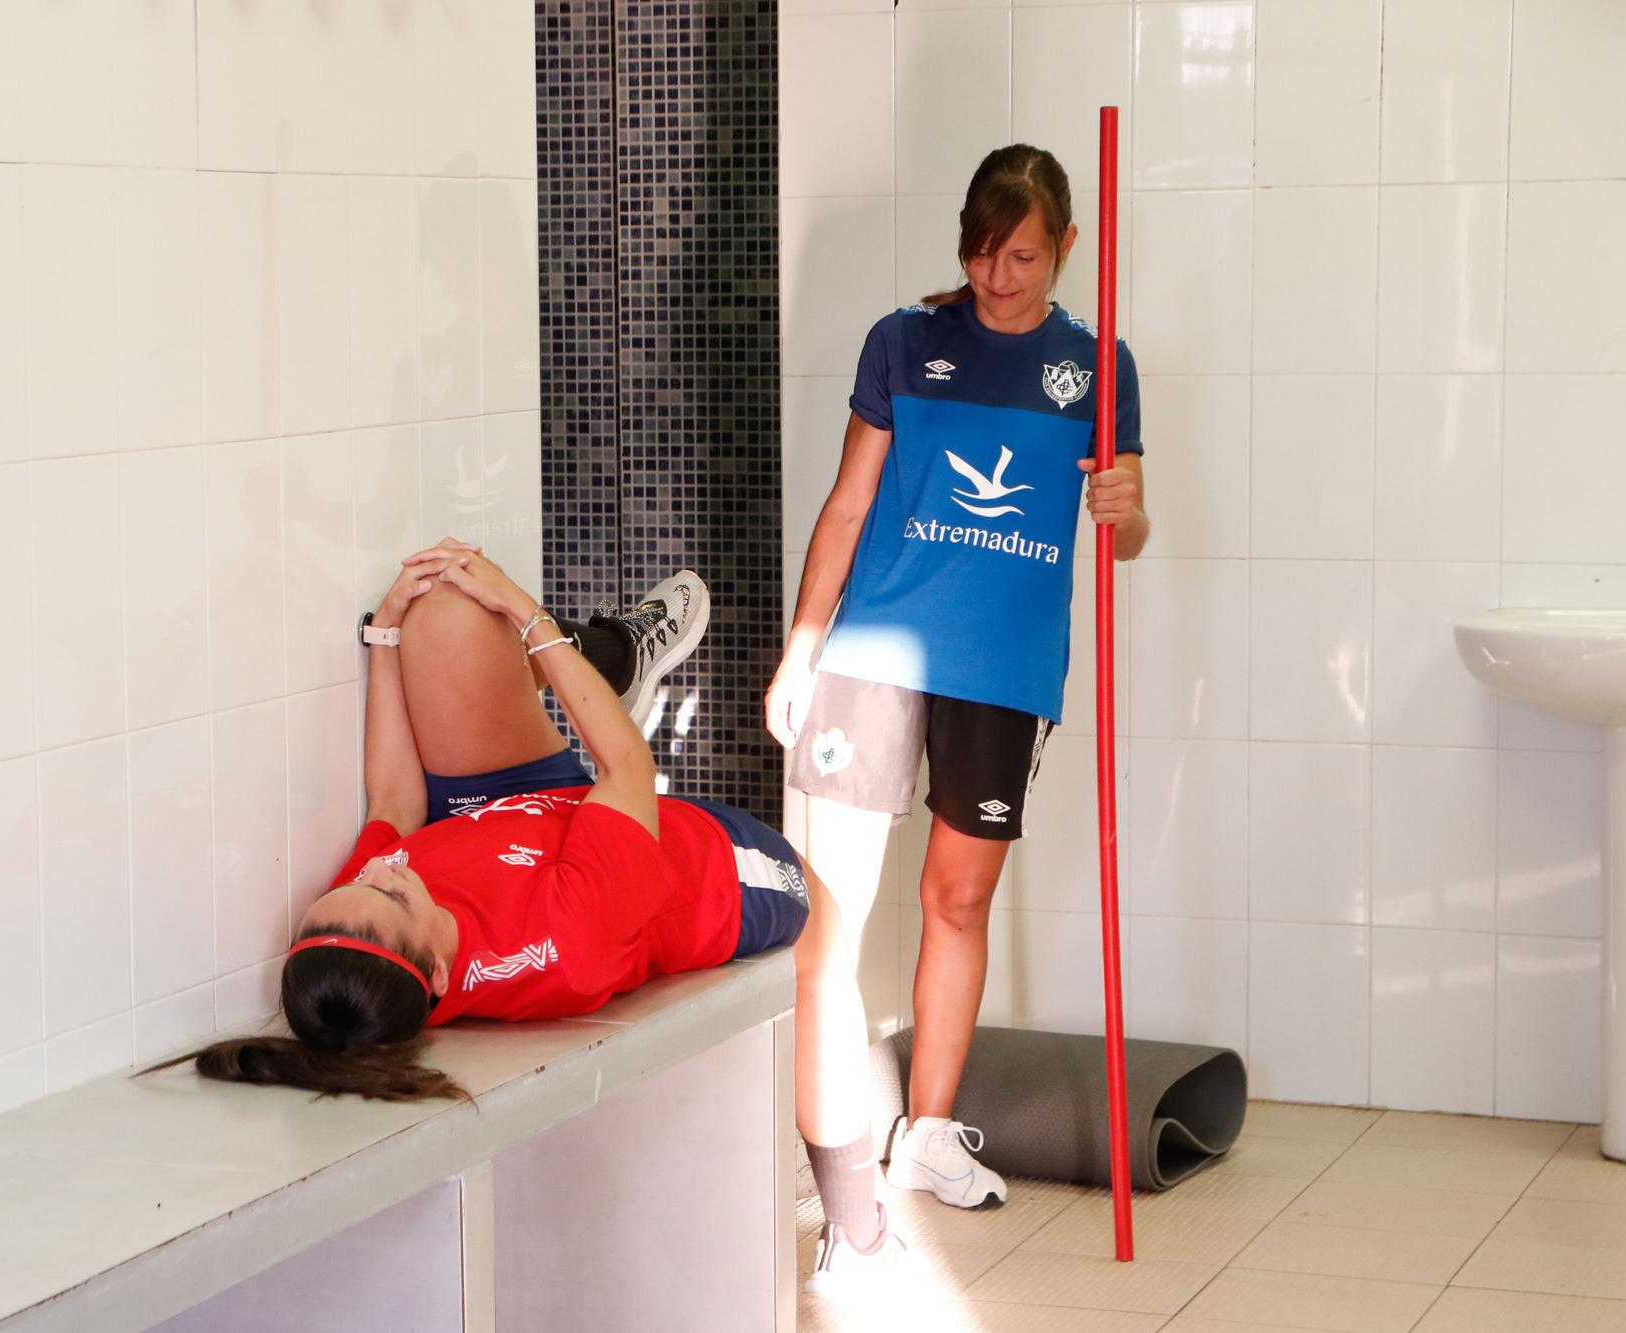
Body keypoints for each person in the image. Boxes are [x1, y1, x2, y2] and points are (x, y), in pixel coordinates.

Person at [772, 144, 1150, 1292]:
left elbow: (1123, 534)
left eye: (1022, 257)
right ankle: (835, 1177)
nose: (998, 278)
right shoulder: (902, 344)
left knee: (956, 896)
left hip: (1002, 671)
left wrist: (1126, 508)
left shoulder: (1097, 369)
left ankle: (925, 1133)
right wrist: (798, 650)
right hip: (874, 654)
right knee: (825, 925)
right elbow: (845, 508)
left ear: (1065, 249)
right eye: (981, 255)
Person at [150, 541, 811, 1101]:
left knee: (443, 607)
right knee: (826, 919)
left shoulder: (362, 926)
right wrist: (526, 611)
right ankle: (603, 662)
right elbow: (626, 767)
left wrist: (385, 634)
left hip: (519, 812)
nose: (381, 866)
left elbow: (393, 805)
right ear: (439, 974)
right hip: (711, 862)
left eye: (357, 881)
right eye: (390, 887)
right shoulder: (569, 938)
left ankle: (604, 662)